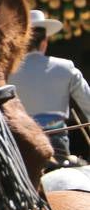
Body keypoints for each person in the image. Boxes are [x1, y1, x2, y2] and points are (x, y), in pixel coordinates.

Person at [9, 9, 89, 163]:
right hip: (57, 149)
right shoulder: (66, 67)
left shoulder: (5, 73)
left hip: (18, 150)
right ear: (44, 42)